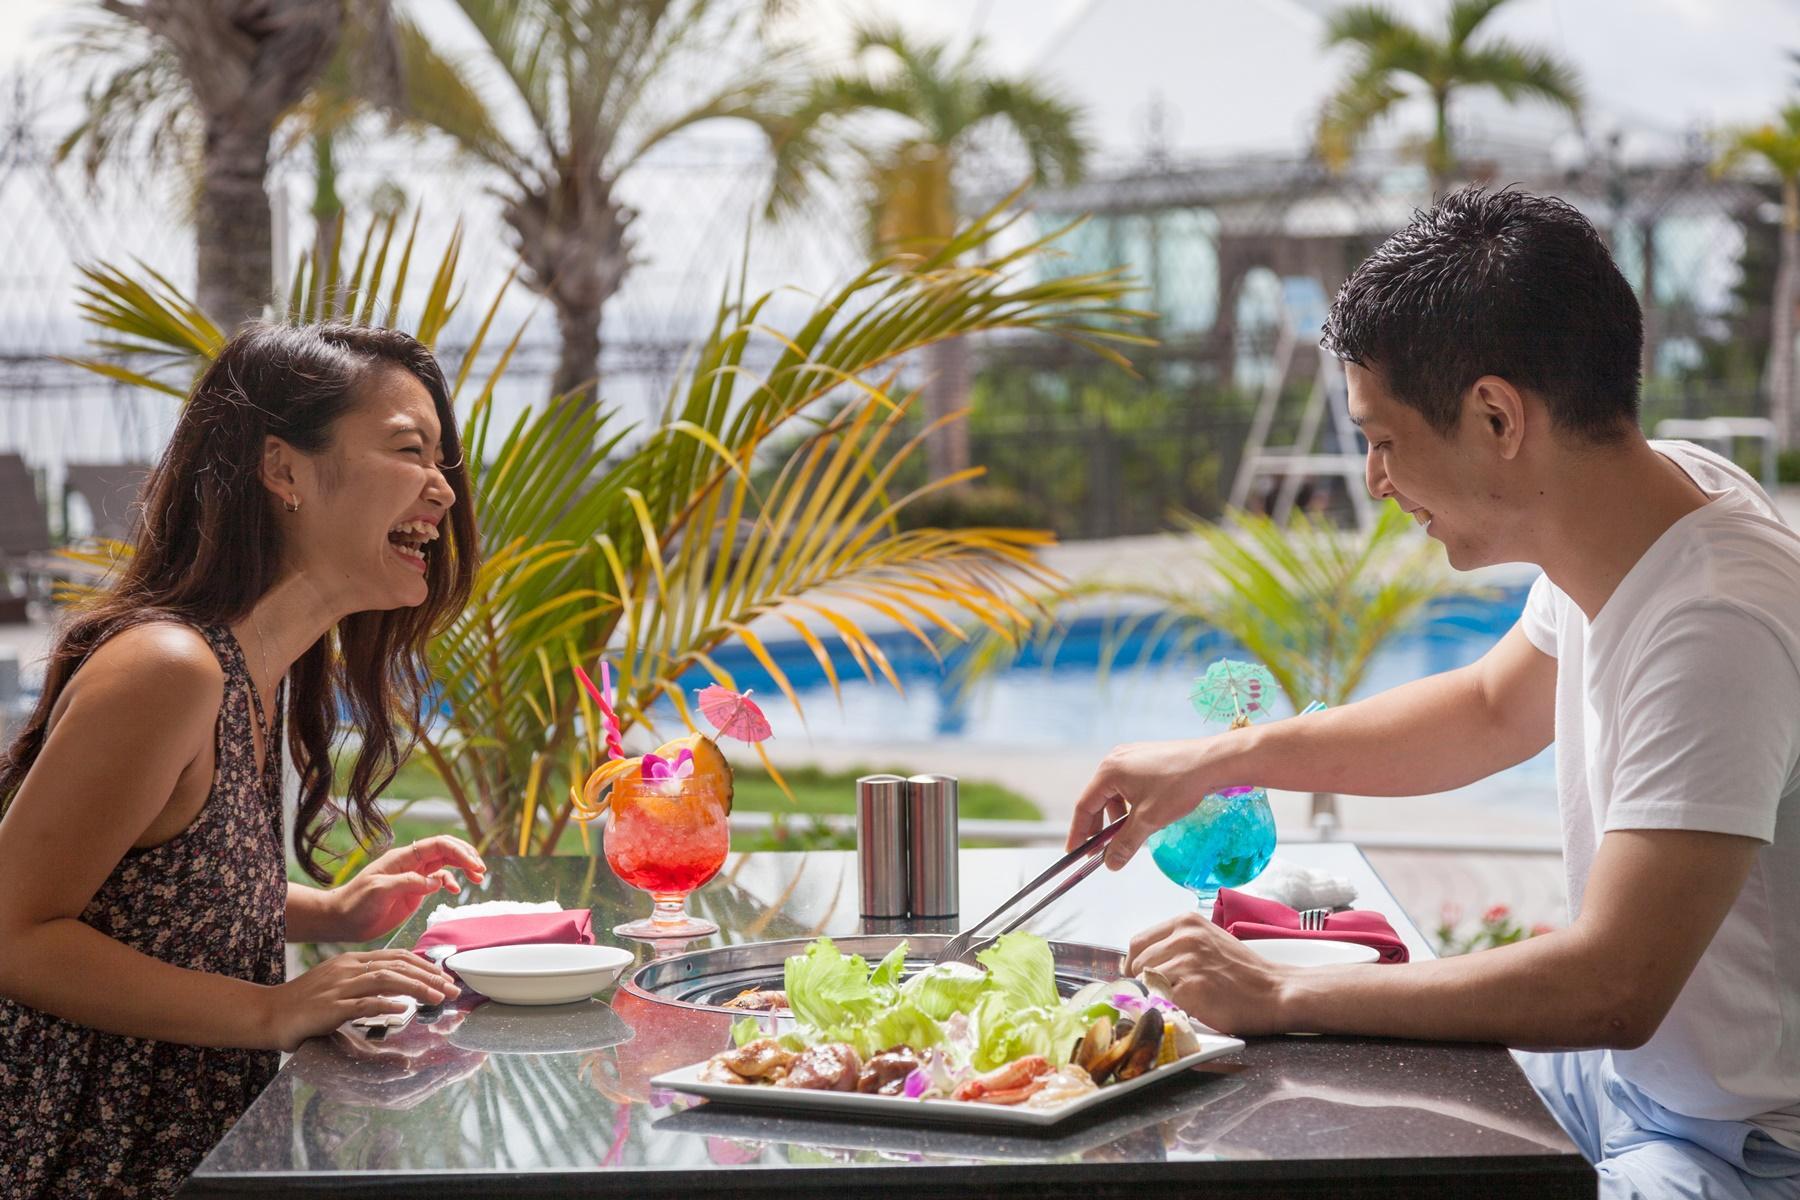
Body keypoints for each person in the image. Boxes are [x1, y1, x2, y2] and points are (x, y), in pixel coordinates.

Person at [1069, 188, 1800, 1199]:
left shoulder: (1717, 619)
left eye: (1382, 438)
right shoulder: (1644, 501)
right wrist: (1219, 760)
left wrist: (1281, 990)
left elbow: (1613, 985)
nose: (1372, 477)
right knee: (1307, 1119)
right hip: (1624, 1089)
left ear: (1497, 416)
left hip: (1744, 1148)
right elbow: (1492, 709)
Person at [0, 323, 491, 1199]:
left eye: (442, 462)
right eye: (411, 450)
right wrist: (274, 1009)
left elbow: (149, 890)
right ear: (284, 470)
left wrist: (333, 911)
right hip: (85, 1164)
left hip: (197, 1152)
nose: (443, 491)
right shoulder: (170, 669)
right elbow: (15, 933)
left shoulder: (257, 672)